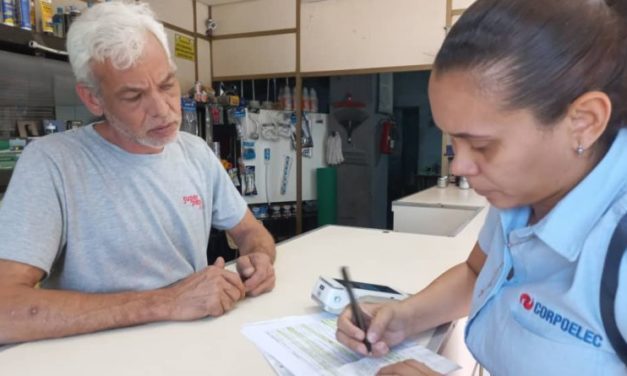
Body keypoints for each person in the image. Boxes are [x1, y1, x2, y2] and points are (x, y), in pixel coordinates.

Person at [337, 0, 627, 374]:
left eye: (483, 145)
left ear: (584, 122)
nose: (459, 166)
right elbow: (478, 271)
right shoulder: (523, 191)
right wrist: (403, 316)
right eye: (453, 142)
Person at [0, 2, 276, 345]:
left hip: (193, 346)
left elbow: (251, 231)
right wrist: (166, 302)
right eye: (134, 96)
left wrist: (259, 259)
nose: (162, 111)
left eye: (167, 85)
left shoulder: (195, 152)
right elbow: (5, 310)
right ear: (93, 99)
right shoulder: (52, 163)